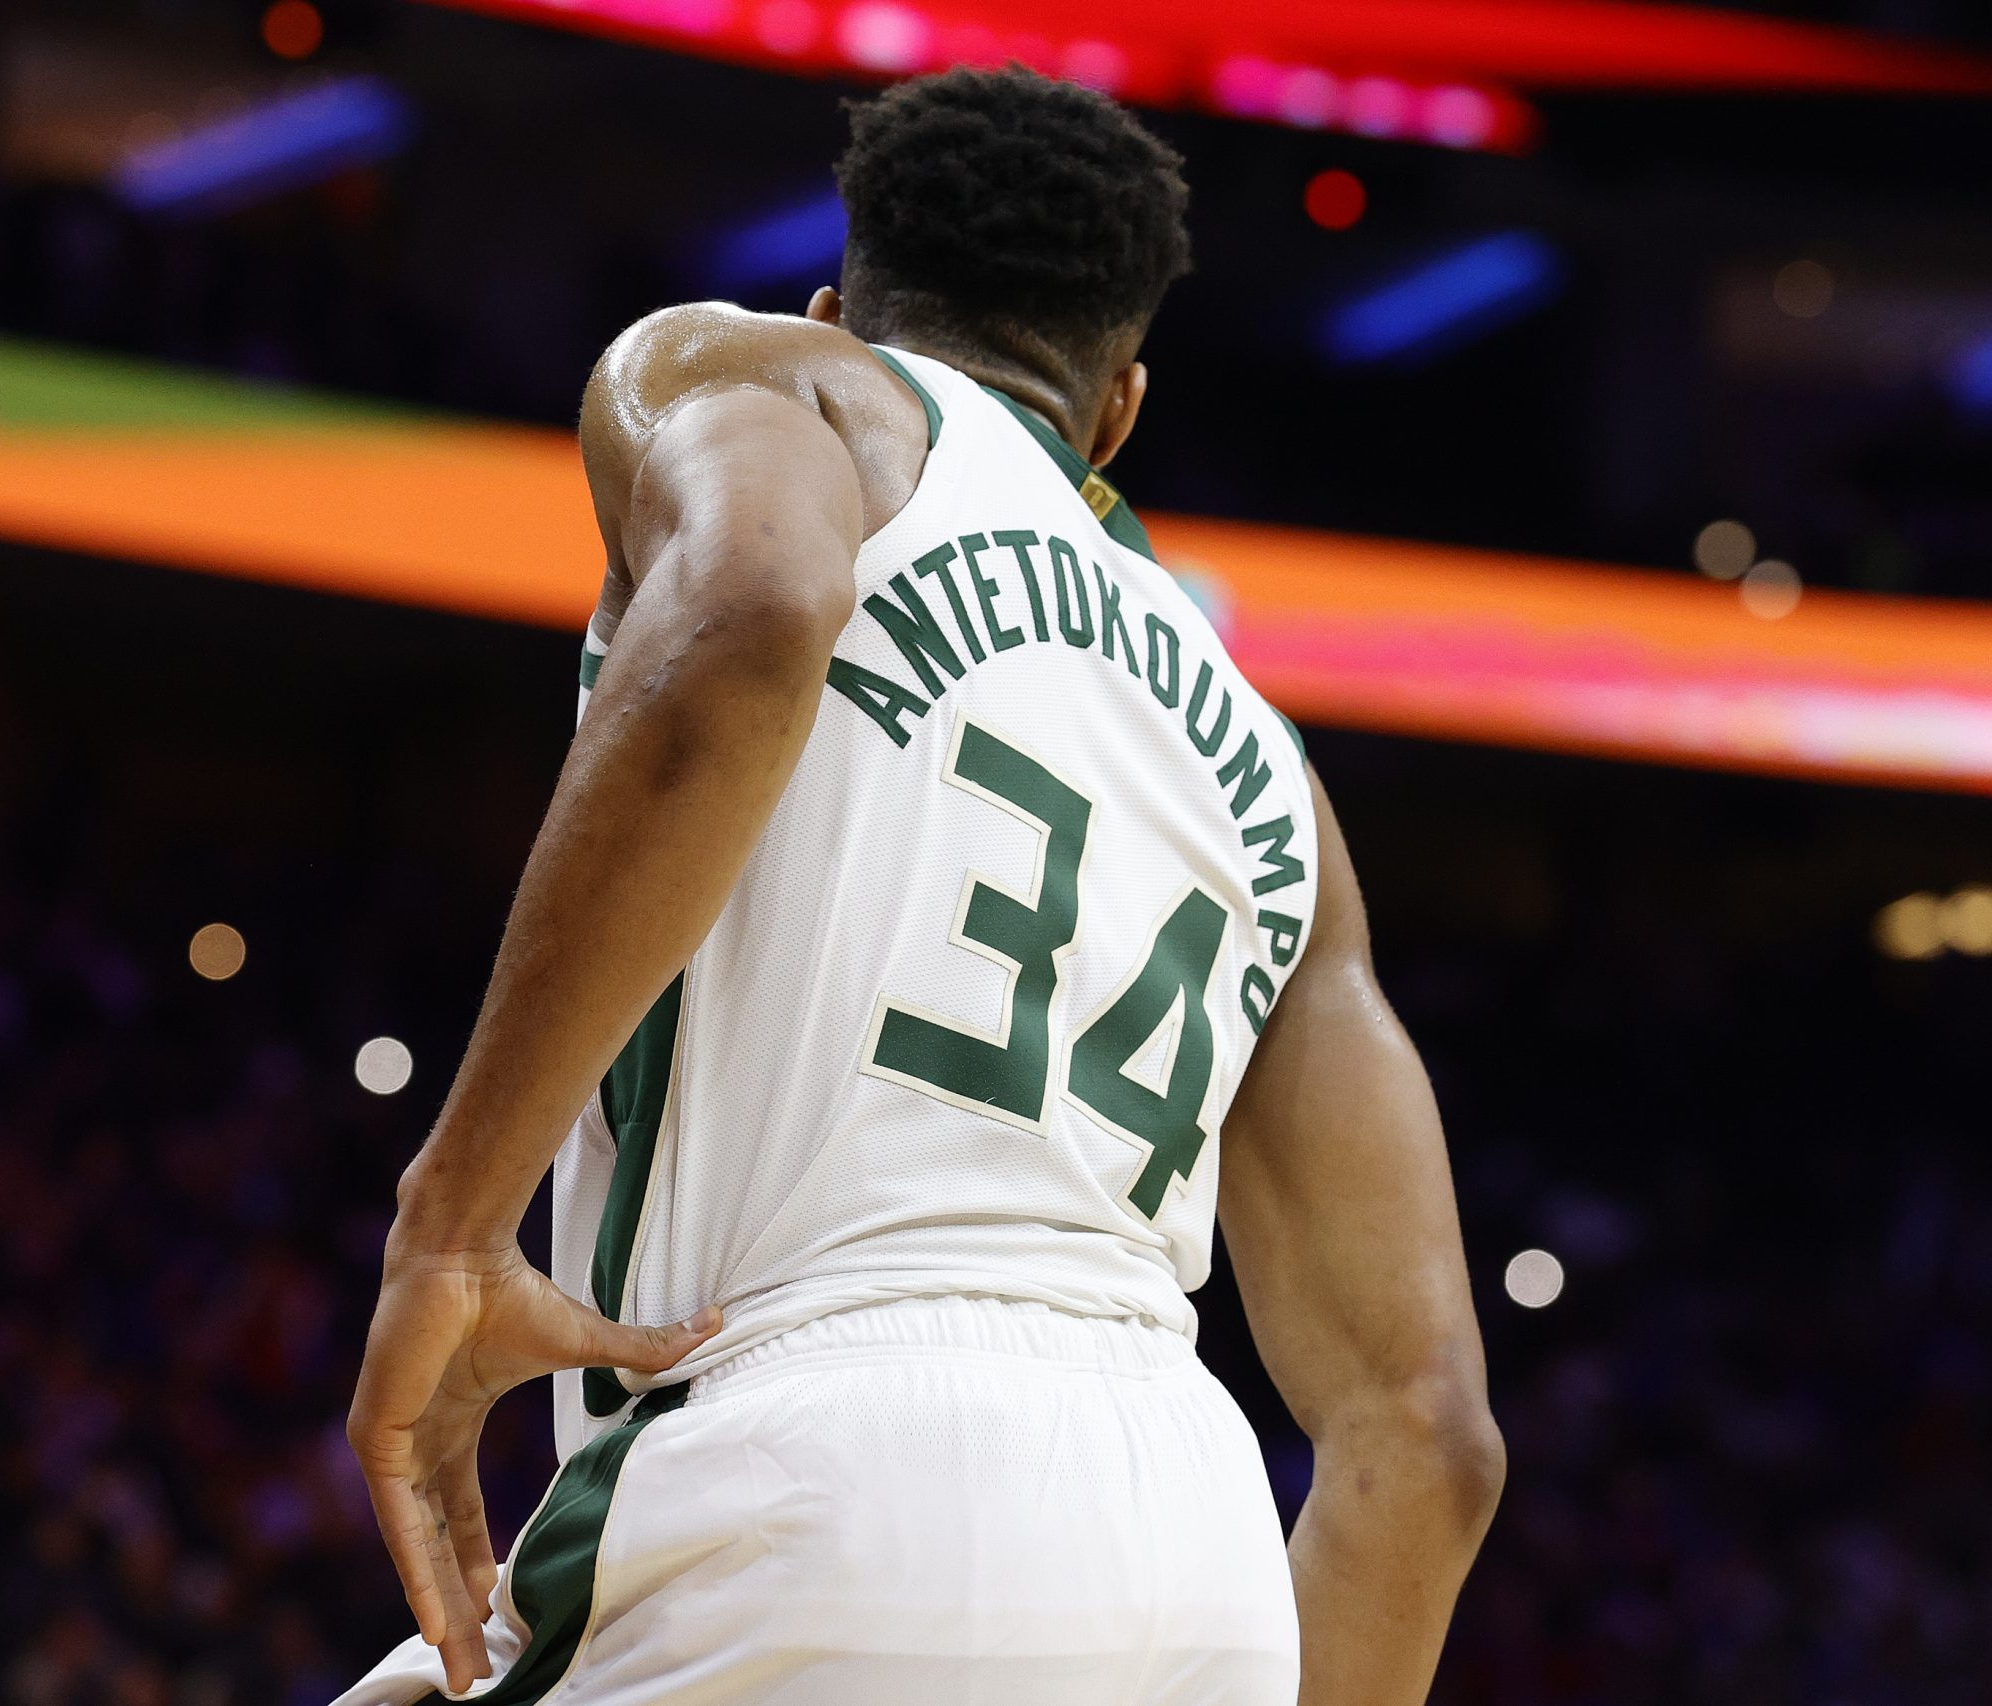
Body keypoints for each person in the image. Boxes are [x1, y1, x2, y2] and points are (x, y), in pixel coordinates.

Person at [335, 65, 1502, 1706]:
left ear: (838, 313)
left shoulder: (777, 385)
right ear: (1118, 416)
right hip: (1195, 1544)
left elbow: (753, 610)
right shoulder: (1272, 777)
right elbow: (1428, 1438)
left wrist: (451, 1221)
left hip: (816, 1454)